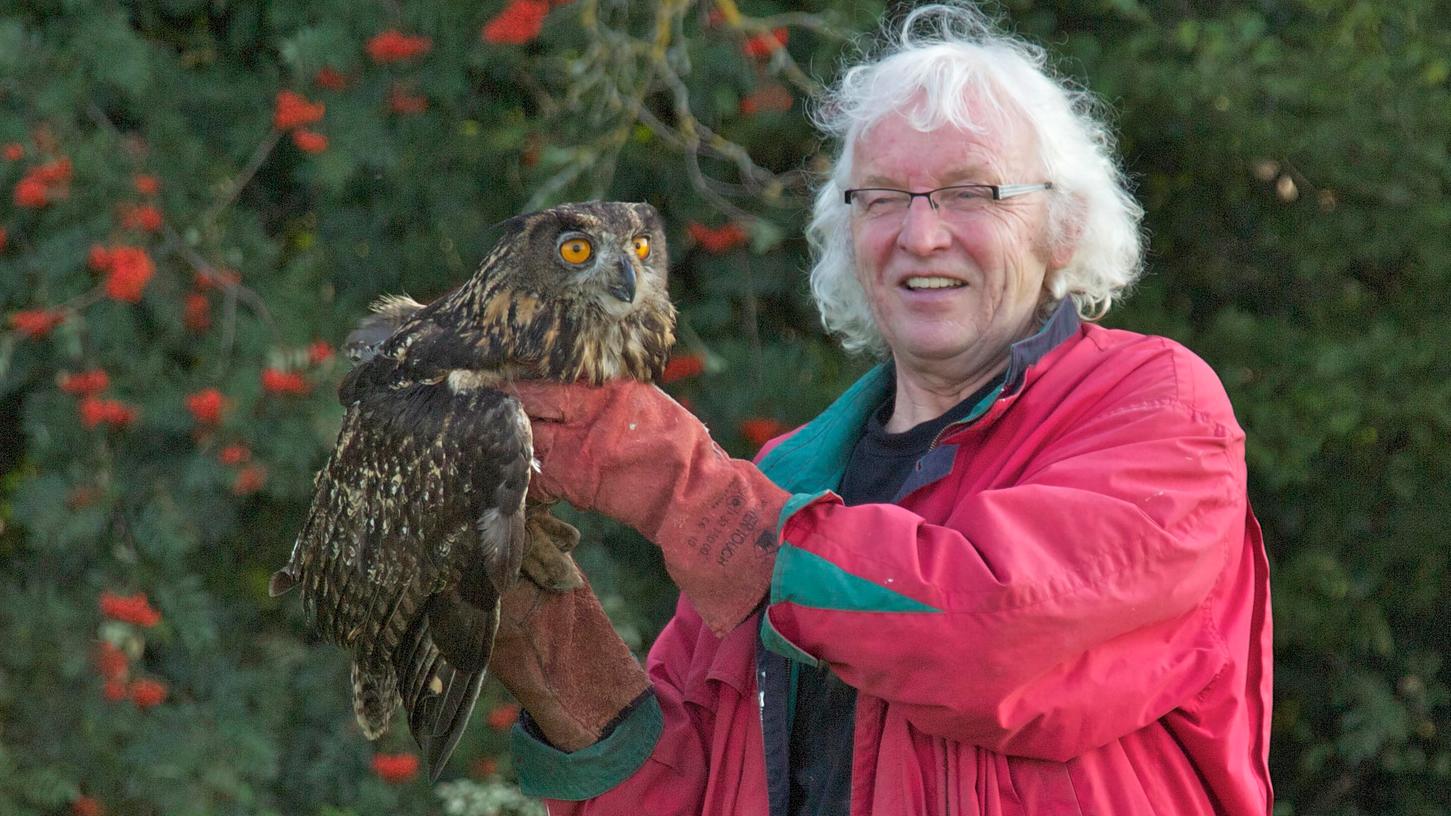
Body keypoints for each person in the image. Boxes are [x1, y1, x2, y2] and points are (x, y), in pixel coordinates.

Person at [489, 4, 1274, 814]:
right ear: (846, 232)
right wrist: (547, 637)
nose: (921, 235)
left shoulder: (1153, 408)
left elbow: (994, 632)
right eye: (883, 197)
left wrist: (673, 484)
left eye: (971, 192)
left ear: (1062, 228)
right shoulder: (787, 476)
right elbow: (681, 794)